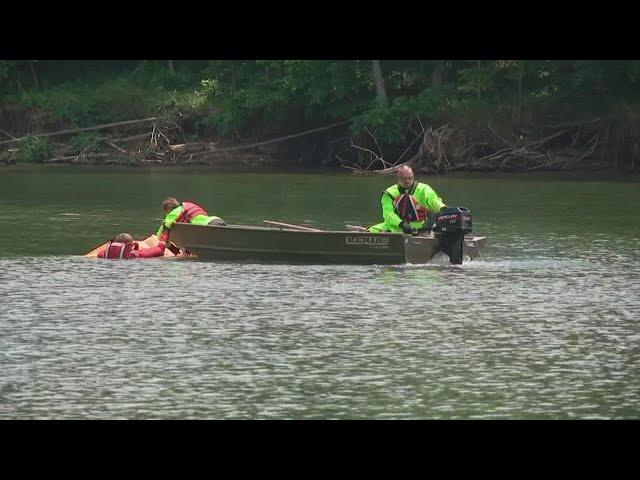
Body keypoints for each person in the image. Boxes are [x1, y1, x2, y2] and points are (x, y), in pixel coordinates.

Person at [368, 165, 446, 234]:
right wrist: (402, 224)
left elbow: (433, 200)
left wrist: (443, 208)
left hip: (419, 228)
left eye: (410, 178)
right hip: (394, 228)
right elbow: (387, 214)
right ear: (398, 178)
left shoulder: (424, 189)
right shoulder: (389, 193)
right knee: (371, 231)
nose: (408, 181)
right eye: (404, 179)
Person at [156, 197, 227, 245]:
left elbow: (164, 226)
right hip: (217, 220)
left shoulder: (174, 213)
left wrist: (156, 239)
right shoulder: (187, 205)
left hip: (210, 226)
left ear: (168, 210)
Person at [98, 233, 166, 259]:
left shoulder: (103, 254)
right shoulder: (134, 254)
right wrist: (162, 244)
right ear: (130, 245)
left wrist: (135, 247)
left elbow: (100, 253)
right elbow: (159, 250)